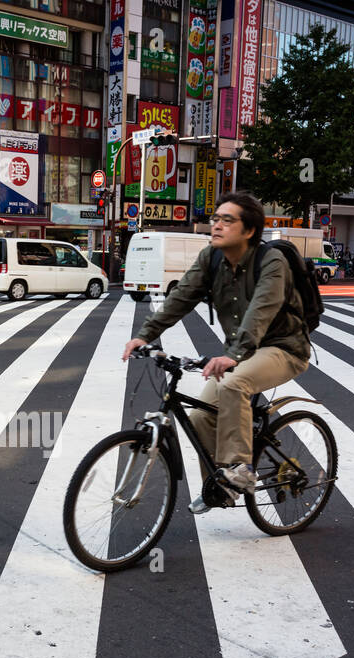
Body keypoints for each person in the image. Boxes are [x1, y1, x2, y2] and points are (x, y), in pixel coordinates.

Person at [121, 191, 312, 514]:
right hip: (241, 352)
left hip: (283, 348)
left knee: (234, 384)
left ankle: (240, 468)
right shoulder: (210, 258)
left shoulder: (271, 261)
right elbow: (181, 297)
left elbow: (261, 311)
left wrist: (234, 355)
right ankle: (219, 487)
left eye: (227, 219)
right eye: (215, 219)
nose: (217, 225)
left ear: (249, 230)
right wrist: (145, 335)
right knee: (199, 418)